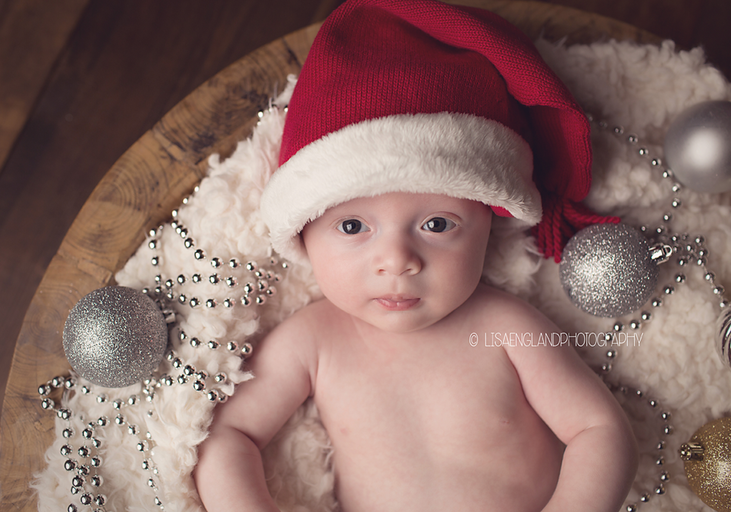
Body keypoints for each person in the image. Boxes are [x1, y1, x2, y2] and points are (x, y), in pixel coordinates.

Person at [193, 1, 638, 511]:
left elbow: (598, 428)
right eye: (353, 226)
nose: (398, 260)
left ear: (487, 223)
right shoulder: (313, 342)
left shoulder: (505, 325)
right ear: (304, 231)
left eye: (436, 225)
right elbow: (230, 438)